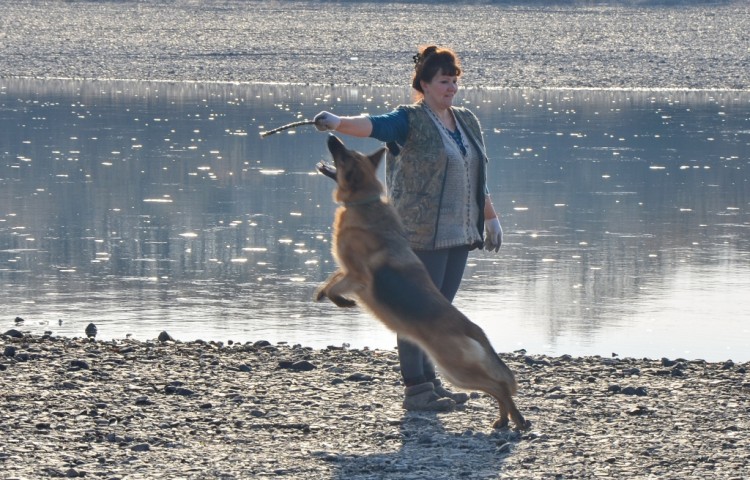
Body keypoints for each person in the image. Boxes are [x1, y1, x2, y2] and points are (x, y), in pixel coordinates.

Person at [313, 45, 504, 412]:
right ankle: (416, 390)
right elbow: (373, 126)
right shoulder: (408, 120)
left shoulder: (467, 121)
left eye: (454, 81)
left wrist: (490, 216)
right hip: (418, 235)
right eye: (444, 82)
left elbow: (477, 175)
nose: (451, 88)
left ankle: (431, 381)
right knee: (415, 311)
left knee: (439, 310)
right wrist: (337, 122)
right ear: (425, 84)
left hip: (460, 233)